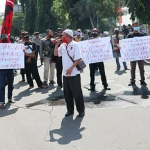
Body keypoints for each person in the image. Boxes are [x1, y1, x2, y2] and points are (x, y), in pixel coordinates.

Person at [54, 29, 85, 117]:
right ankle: (70, 110)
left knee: (77, 92)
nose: (61, 37)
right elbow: (56, 54)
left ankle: (81, 110)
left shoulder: (75, 45)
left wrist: (71, 68)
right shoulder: (63, 45)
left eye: (63, 35)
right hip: (65, 73)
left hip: (74, 73)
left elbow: (78, 58)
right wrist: (56, 44)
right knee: (67, 93)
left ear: (68, 36)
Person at [127, 21, 147, 86]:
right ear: (133, 27)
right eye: (135, 26)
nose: (136, 27)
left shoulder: (142, 35)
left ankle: (142, 80)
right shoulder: (130, 35)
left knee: (142, 68)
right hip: (132, 55)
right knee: (132, 69)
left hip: (140, 55)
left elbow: (146, 44)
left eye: (137, 26)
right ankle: (132, 81)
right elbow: (126, 44)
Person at [0, 34, 15, 109]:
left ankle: (10, 98)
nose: (5, 39)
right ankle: (1, 101)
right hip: (2, 69)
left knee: (11, 84)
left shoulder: (12, 47)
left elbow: (16, 55)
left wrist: (21, 52)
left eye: (6, 38)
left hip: (10, 68)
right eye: (3, 38)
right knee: (2, 85)